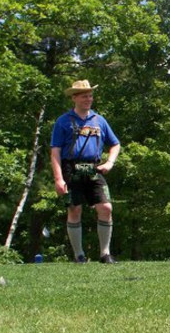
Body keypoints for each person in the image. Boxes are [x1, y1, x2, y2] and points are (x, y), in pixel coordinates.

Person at [50, 80, 121, 264]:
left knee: (106, 208)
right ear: (74, 97)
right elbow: (55, 151)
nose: (88, 99)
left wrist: (110, 163)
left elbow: (115, 144)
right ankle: (79, 255)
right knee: (74, 209)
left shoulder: (99, 120)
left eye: (90, 95)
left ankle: (105, 254)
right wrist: (58, 179)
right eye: (84, 96)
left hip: (94, 169)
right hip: (70, 169)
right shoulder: (63, 121)